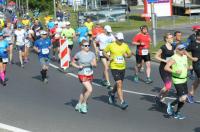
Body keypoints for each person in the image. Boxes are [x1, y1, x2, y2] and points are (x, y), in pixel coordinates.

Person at [103, 32, 132, 110]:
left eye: (122, 39)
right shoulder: (111, 45)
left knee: (119, 83)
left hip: (122, 67)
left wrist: (127, 55)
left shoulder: (125, 45)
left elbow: (129, 54)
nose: (121, 41)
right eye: (119, 40)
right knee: (119, 83)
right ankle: (122, 102)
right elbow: (104, 51)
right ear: (116, 39)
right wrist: (108, 57)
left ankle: (112, 93)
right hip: (114, 67)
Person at [165, 44, 189, 120]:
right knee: (183, 97)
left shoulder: (185, 57)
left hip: (184, 79)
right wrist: (175, 71)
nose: (183, 50)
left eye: (184, 49)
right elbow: (166, 68)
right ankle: (171, 104)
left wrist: (189, 67)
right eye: (181, 49)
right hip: (177, 80)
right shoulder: (174, 58)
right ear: (177, 50)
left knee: (183, 99)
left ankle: (177, 113)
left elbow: (186, 66)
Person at [71, 40, 96, 114]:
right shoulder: (78, 54)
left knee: (84, 90)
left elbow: (95, 64)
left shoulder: (92, 54)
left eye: (88, 45)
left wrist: (93, 64)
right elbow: (72, 62)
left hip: (90, 73)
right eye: (86, 46)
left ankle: (78, 104)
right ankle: (84, 104)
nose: (87, 47)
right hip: (82, 74)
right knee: (90, 89)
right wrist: (78, 66)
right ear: (81, 47)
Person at [155, 33, 174, 103]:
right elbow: (156, 56)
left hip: (170, 68)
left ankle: (162, 99)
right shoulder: (163, 47)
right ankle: (158, 96)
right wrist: (164, 60)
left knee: (168, 87)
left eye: (172, 37)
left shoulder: (173, 47)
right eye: (171, 37)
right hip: (163, 68)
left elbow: (174, 56)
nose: (172, 38)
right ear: (166, 39)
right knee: (168, 85)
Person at [186, 31, 200, 103]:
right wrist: (191, 58)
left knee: (197, 81)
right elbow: (184, 51)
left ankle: (190, 94)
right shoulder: (193, 44)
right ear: (197, 36)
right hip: (197, 64)